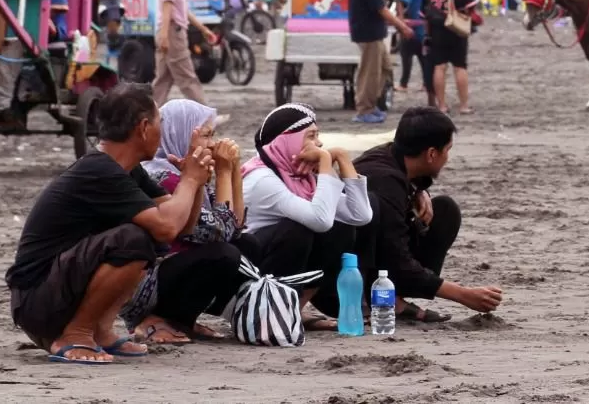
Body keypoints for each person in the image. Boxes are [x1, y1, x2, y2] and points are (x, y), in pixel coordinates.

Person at [5, 85, 214, 364]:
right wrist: (189, 179)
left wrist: (196, 182)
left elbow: (182, 226)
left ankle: (99, 332)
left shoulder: (126, 169)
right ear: (143, 128)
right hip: (38, 302)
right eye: (159, 123)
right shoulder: (99, 170)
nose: (161, 131)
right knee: (133, 240)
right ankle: (75, 334)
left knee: (143, 237)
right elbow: (166, 227)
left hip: (55, 293)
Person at [352, 107, 502, 323]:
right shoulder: (384, 182)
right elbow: (397, 260)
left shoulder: (391, 156)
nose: (447, 158)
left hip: (380, 256)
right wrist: (463, 295)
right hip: (346, 276)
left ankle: (395, 296)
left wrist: (419, 190)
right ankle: (379, 297)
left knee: (444, 211)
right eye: (447, 150)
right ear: (432, 154)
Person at [122, 100, 247, 344]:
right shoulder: (163, 177)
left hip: (173, 269)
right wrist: (223, 173)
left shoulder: (187, 171)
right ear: (179, 134)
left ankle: (183, 320)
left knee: (247, 245)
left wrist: (233, 170)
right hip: (144, 283)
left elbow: (236, 227)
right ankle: (156, 319)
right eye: (206, 135)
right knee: (225, 254)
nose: (212, 144)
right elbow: (221, 232)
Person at [239, 103, 373, 330]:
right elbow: (321, 221)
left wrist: (341, 157)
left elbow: (360, 215)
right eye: (311, 136)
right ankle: (272, 311)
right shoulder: (262, 178)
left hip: (280, 259)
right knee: (299, 231)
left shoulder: (299, 174)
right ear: (287, 140)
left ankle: (293, 310)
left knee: (341, 229)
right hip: (250, 268)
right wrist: (325, 161)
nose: (319, 144)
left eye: (318, 136)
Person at [349, 0, 414, 125]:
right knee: (369, 73)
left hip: (373, 32)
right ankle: (364, 109)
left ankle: (372, 103)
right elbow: (382, 9)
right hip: (368, 33)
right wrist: (402, 26)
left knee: (385, 68)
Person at [153, 0, 216, 106]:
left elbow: (184, 12)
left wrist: (203, 29)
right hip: (172, 33)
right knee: (187, 77)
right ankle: (205, 114)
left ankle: (148, 114)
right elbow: (167, 11)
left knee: (163, 80)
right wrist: (165, 36)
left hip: (169, 32)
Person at [425, 0, 483, 114]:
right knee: (459, 67)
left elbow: (425, 13)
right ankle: (463, 105)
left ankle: (442, 105)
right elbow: (471, 6)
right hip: (456, 30)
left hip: (437, 31)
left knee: (439, 67)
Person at [395, 0, 437, 95]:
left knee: (416, 56)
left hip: (421, 27)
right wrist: (402, 22)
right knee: (415, 56)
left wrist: (401, 22)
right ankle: (417, 84)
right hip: (416, 26)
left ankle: (408, 84)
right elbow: (401, 2)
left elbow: (400, 1)